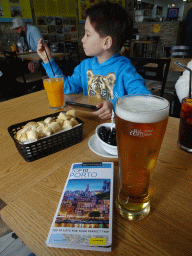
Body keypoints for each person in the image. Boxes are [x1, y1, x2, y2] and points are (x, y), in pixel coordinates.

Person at [37, 1, 151, 119]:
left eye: (87, 34)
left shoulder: (124, 70)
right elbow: (65, 88)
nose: (82, 39)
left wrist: (114, 105)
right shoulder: (84, 67)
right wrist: (48, 59)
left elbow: (144, 100)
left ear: (106, 42)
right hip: (91, 123)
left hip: (115, 128)